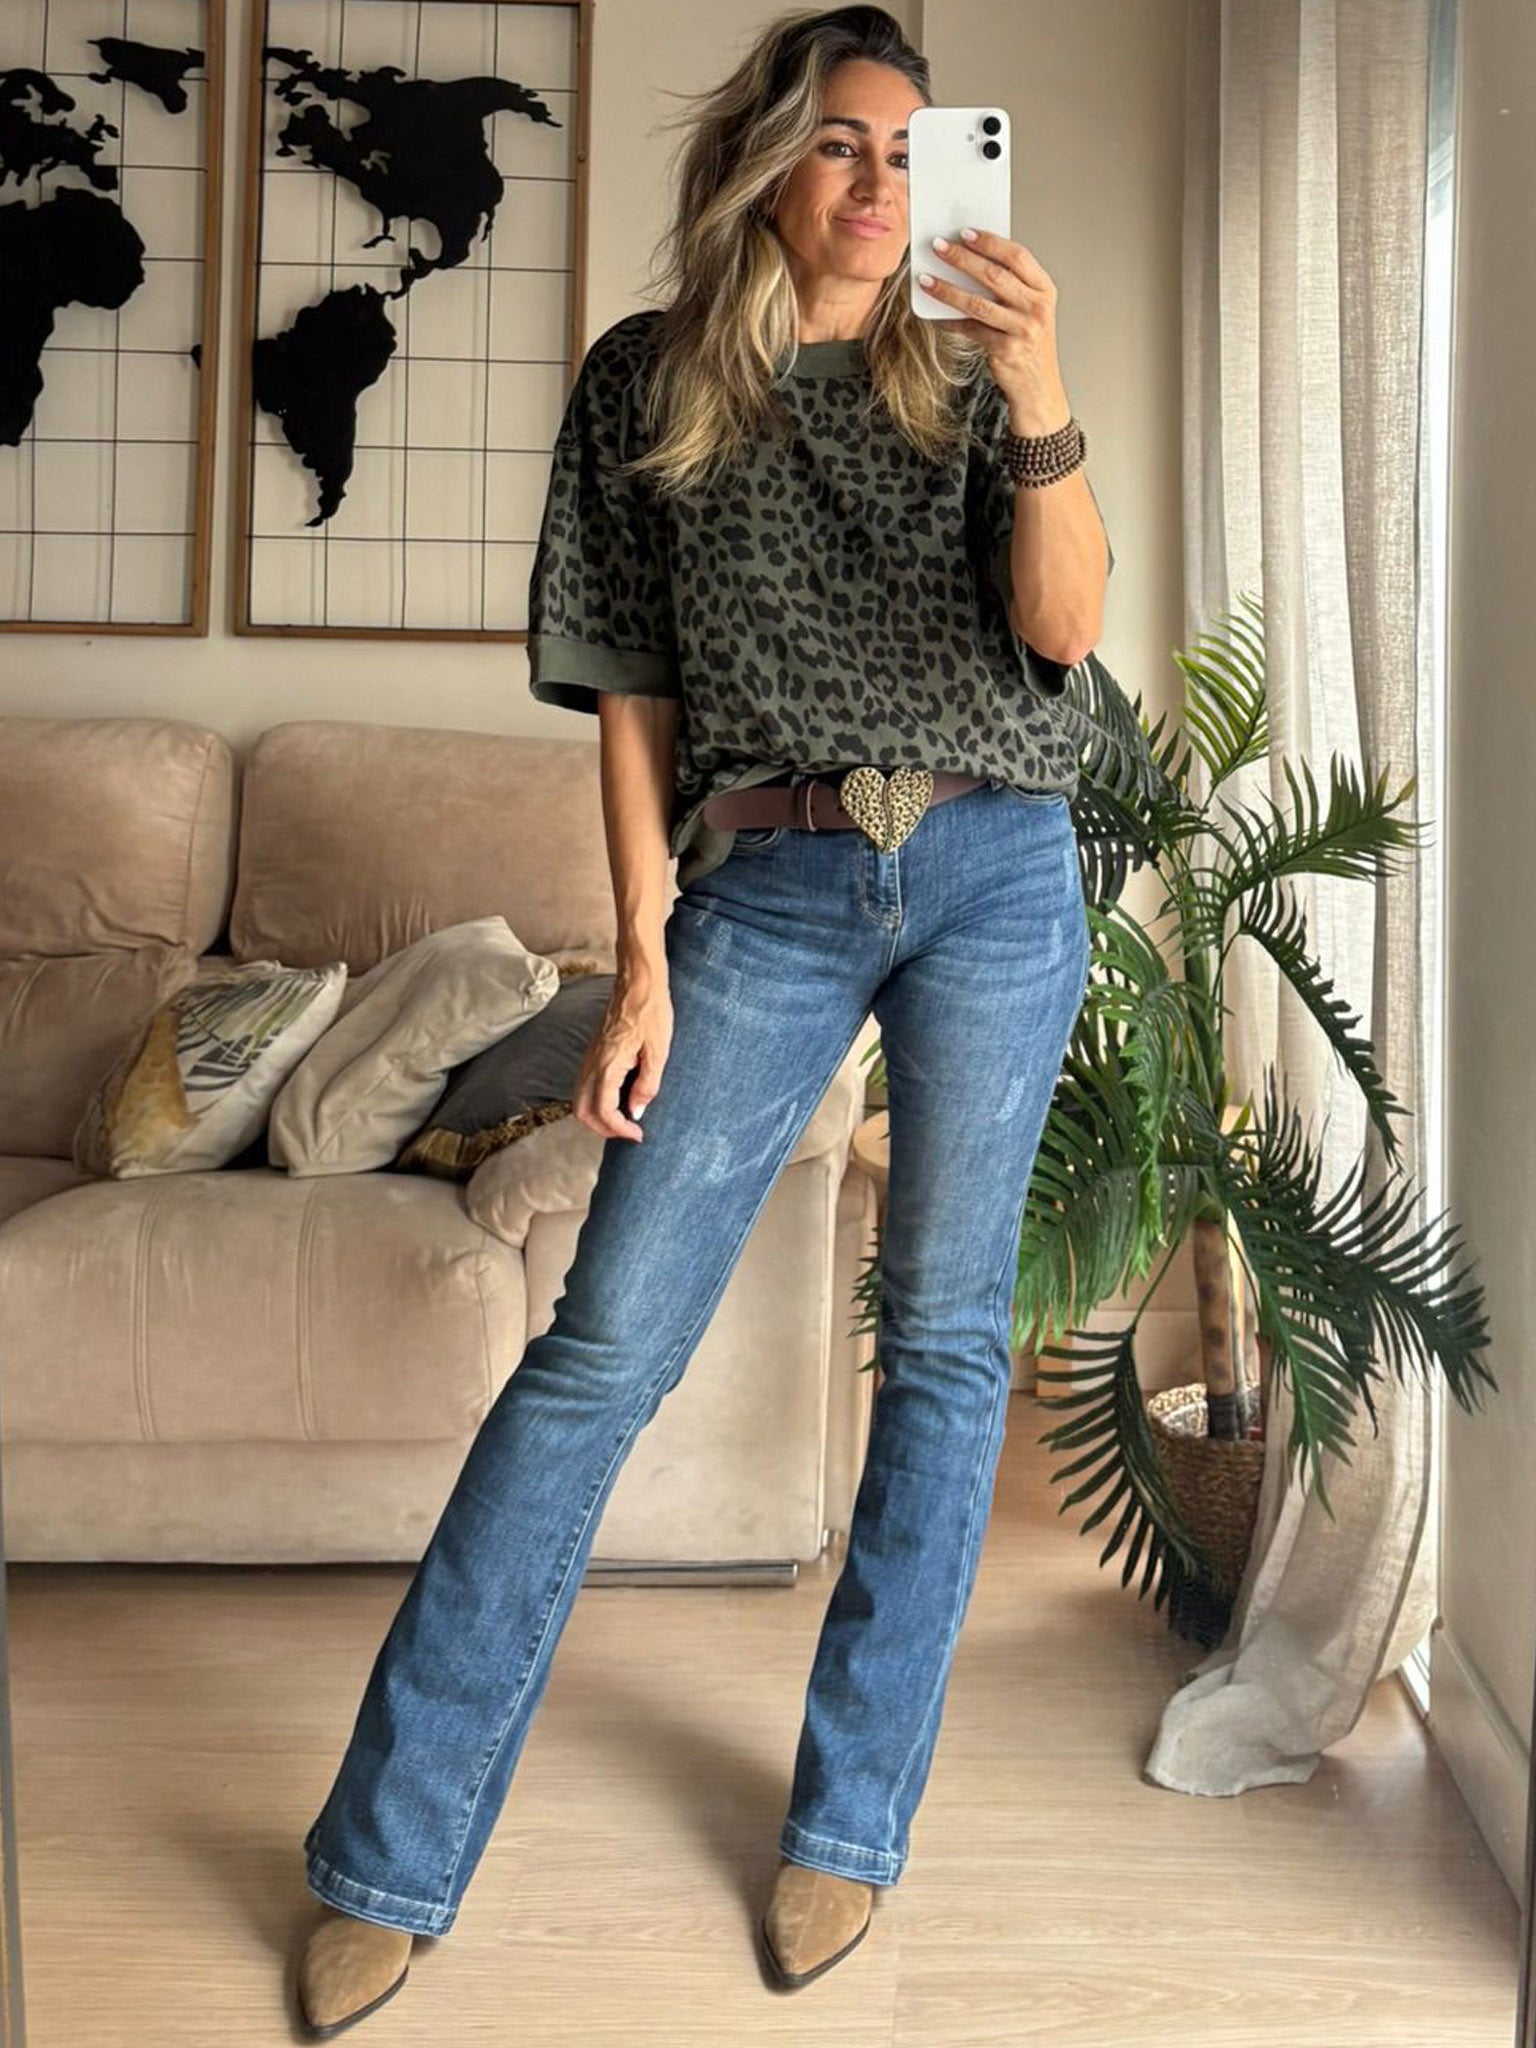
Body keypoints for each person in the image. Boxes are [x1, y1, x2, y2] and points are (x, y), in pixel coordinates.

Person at [295, 4, 1113, 2033]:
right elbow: (632, 697)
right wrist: (644, 956)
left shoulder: (974, 365)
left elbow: (1065, 630)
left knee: (943, 1349)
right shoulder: (646, 383)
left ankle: (851, 1827)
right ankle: (391, 1854)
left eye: (910, 151)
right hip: (774, 884)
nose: (878, 184)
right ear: (766, 158)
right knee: (598, 1357)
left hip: (1001, 866)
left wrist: (1042, 393)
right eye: (841, 143)